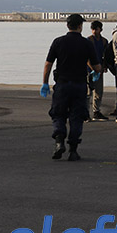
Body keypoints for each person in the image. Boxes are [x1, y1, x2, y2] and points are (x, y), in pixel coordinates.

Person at [41, 14, 101, 161]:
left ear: (67, 25)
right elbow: (97, 66)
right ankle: (73, 150)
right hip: (79, 85)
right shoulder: (87, 43)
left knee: (58, 114)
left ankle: (59, 141)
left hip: (62, 84)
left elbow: (48, 64)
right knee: (77, 117)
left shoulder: (58, 42)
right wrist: (95, 72)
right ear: (80, 26)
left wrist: (45, 83)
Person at [86, 20, 110, 121]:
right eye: (93, 29)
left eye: (96, 29)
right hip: (89, 70)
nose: (94, 31)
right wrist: (92, 68)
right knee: (88, 92)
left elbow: (105, 55)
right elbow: (86, 57)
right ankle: (86, 113)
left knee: (99, 92)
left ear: (100, 29)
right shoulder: (88, 40)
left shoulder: (104, 41)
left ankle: (96, 111)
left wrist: (104, 66)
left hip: (99, 69)